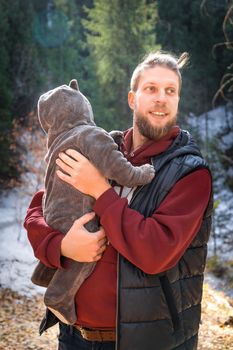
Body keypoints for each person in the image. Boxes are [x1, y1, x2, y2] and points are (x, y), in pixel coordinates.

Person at [24, 51, 213, 350]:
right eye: (150, 88)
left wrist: (100, 191)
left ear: (178, 101)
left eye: (170, 91)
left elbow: (155, 253)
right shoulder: (100, 148)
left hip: (144, 342)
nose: (161, 98)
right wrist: (61, 246)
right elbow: (39, 209)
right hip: (73, 336)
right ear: (132, 98)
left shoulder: (190, 173)